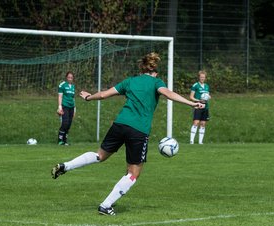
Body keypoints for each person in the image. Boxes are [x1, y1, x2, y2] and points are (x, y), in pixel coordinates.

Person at [51, 52, 204, 216]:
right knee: (133, 173)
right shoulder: (156, 82)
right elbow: (169, 93)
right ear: (155, 72)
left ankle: (66, 166)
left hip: (119, 124)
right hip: (138, 130)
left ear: (141, 69)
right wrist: (191, 103)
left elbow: (103, 94)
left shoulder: (130, 81)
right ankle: (106, 205)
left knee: (99, 155)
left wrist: (89, 97)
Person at [189, 70, 211, 144]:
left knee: (203, 124)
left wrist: (208, 97)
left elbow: (207, 96)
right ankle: (191, 141)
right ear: (199, 77)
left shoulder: (207, 86)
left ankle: (200, 142)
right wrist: (199, 100)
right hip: (198, 106)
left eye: (203, 77)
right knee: (196, 123)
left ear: (205, 78)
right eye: (201, 77)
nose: (202, 78)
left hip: (205, 107)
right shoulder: (195, 85)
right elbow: (191, 97)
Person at [57, 71, 76, 145]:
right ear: (66, 77)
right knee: (65, 123)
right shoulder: (62, 85)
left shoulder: (73, 86)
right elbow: (60, 96)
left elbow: (73, 98)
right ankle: (60, 140)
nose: (70, 79)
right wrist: (59, 107)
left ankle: (65, 141)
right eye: (69, 77)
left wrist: (75, 109)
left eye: (71, 77)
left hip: (71, 107)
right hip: (65, 106)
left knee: (69, 124)